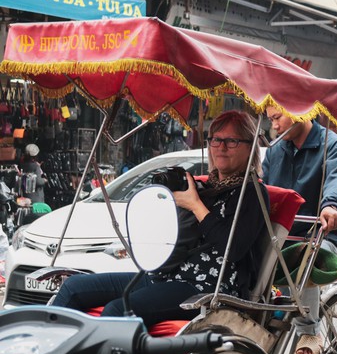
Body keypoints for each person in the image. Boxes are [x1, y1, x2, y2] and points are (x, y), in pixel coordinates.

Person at [52, 110, 268, 327]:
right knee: (73, 287)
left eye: (231, 141)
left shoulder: (253, 192)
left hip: (206, 287)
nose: (221, 147)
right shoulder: (204, 187)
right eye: (216, 140)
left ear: (249, 146)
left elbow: (234, 248)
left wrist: (195, 205)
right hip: (165, 274)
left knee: (118, 309)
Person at [263, 106, 337, 354]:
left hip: (324, 235)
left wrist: (331, 206)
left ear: (300, 111)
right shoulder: (274, 151)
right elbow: (264, 191)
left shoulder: (334, 146)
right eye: (271, 120)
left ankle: (309, 333)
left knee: (304, 257)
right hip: (283, 238)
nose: (275, 126)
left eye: (278, 118)